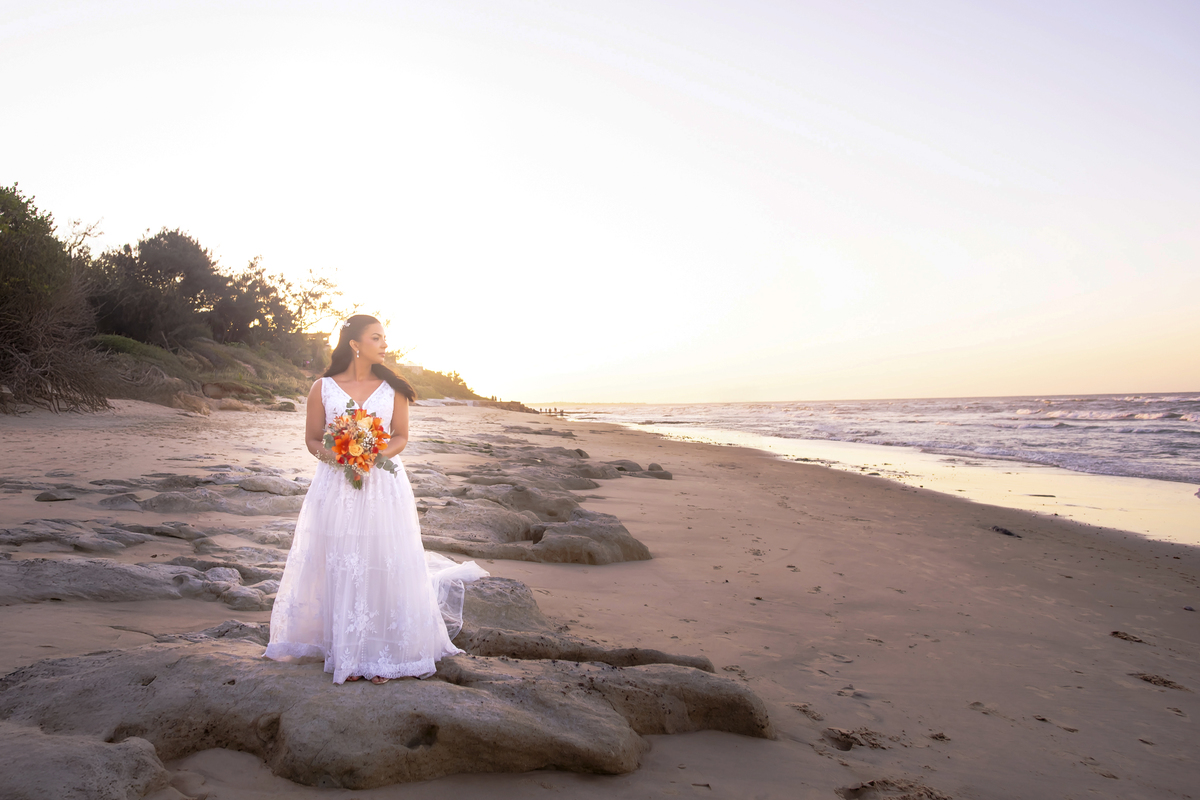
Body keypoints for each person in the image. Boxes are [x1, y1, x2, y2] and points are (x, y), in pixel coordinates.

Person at [263, 315, 487, 684]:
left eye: (385, 338)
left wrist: (372, 455)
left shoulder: (393, 387)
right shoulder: (322, 388)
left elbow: (401, 437)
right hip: (336, 486)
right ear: (354, 343)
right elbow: (313, 440)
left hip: (383, 484)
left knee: (382, 560)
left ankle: (382, 654)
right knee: (341, 560)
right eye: (376, 338)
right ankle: (345, 649)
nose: (384, 345)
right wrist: (342, 457)